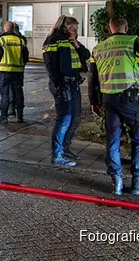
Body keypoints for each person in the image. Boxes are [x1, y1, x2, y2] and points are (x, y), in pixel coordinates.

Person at [89, 17, 139, 196]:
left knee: (113, 140)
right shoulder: (132, 42)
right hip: (131, 101)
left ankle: (117, 182)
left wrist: (93, 101)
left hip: (109, 101)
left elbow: (93, 79)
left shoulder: (98, 48)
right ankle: (138, 183)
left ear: (109, 28)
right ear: (126, 27)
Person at [42, 16, 91, 166]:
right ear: (64, 27)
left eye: (77, 29)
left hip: (73, 83)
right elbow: (51, 65)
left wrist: (76, 44)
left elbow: (87, 55)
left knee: (76, 117)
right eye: (73, 29)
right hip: (63, 84)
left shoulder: (72, 42)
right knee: (64, 119)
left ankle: (65, 148)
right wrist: (59, 85)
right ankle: (57, 155)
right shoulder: (54, 40)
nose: (75, 32)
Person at [0, 21, 29, 124]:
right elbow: (26, 56)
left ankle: (3, 116)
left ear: (4, 29)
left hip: (5, 71)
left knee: (5, 93)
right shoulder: (20, 40)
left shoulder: (1, 40)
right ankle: (20, 116)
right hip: (18, 71)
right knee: (18, 93)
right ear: (13, 29)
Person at [7, 23, 28, 117]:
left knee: (10, 89)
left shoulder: (8, 38)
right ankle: (19, 113)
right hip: (19, 69)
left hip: (9, 68)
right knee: (18, 89)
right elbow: (26, 55)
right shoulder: (22, 39)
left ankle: (11, 109)